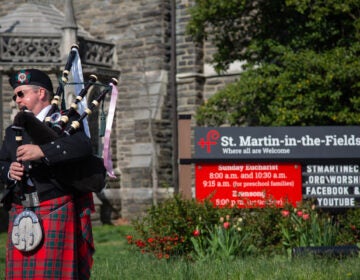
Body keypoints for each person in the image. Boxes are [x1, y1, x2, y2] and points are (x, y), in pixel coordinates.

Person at [0, 69, 95, 279]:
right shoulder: (13, 129)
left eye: (21, 94)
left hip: (54, 207)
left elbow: (83, 147)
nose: (17, 100)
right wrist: (9, 171)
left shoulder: (66, 120)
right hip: (20, 209)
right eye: (15, 95)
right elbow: (2, 162)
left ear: (41, 93)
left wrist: (43, 151)